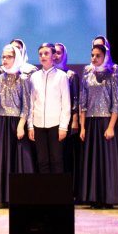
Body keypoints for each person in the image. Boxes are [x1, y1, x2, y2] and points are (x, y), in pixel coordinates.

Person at [0, 43, 34, 207]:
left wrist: (21, 125)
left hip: (16, 123)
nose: (4, 60)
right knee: (0, 159)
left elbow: (26, 105)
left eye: (8, 57)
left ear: (16, 58)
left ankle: (18, 196)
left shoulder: (23, 79)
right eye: (3, 57)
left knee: (18, 158)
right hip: (1, 123)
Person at [78, 42, 118, 208]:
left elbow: (116, 102)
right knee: (93, 161)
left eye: (98, 55)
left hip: (106, 121)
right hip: (91, 122)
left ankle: (108, 198)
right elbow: (83, 103)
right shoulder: (87, 75)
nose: (94, 58)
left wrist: (111, 126)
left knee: (106, 161)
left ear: (105, 56)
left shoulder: (112, 74)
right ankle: (94, 197)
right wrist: (82, 126)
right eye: (92, 55)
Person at [27, 43, 71, 173]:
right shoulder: (34, 77)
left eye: (46, 53)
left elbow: (66, 103)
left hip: (56, 125)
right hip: (38, 124)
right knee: (42, 161)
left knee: (56, 159)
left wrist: (63, 126)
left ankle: (58, 186)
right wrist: (30, 125)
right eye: (40, 54)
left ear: (53, 55)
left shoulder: (62, 76)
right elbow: (31, 102)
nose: (43, 56)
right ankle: (44, 187)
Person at [54, 42, 82, 198]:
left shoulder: (71, 75)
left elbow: (76, 99)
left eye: (59, 52)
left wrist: (75, 119)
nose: (56, 55)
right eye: (54, 52)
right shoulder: (48, 74)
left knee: (66, 155)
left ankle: (69, 191)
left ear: (65, 55)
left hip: (68, 119)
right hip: (52, 119)